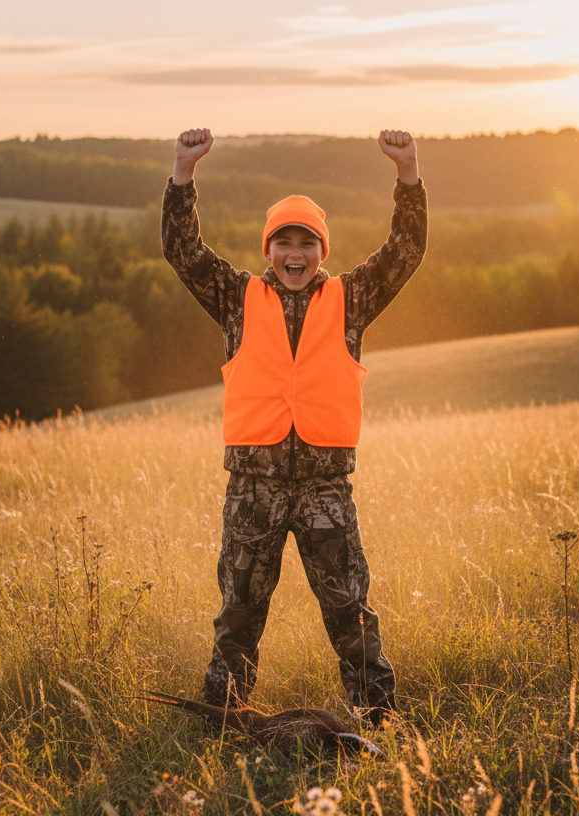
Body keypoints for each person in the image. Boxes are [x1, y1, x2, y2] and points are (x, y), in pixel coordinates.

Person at [161, 127, 426, 727]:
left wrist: (407, 174)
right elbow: (183, 251)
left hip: (325, 488)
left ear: (322, 251)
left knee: (349, 609)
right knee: (239, 614)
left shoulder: (352, 299)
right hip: (252, 488)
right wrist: (184, 173)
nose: (295, 253)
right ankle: (223, 720)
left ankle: (378, 720)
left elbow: (405, 251)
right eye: (284, 242)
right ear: (269, 250)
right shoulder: (236, 297)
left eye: (307, 242)